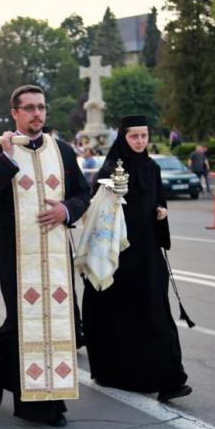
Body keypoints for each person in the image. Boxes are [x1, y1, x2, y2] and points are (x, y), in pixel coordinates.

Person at [0, 85, 90, 428]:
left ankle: (51, 403)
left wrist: (67, 210)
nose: (37, 114)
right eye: (29, 108)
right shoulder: (2, 151)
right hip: (15, 252)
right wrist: (7, 161)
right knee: (21, 321)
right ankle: (5, 373)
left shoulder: (63, 150)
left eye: (41, 107)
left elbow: (83, 192)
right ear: (15, 114)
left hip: (55, 253)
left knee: (56, 323)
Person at [82, 116, 191, 401]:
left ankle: (171, 379)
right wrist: (111, 194)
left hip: (148, 255)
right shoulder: (110, 170)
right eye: (135, 137)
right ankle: (114, 372)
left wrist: (161, 211)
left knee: (156, 314)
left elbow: (159, 200)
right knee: (117, 317)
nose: (140, 141)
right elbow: (98, 213)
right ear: (123, 137)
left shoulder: (152, 168)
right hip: (119, 260)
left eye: (144, 136)